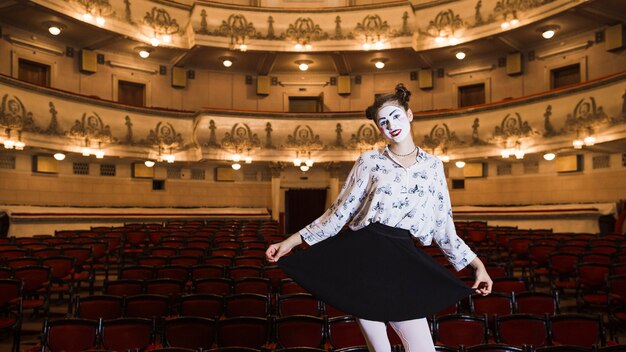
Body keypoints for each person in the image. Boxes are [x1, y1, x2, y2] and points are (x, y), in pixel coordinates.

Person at [266, 83, 492, 352]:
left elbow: (443, 226)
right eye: (383, 122)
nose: (390, 125)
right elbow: (339, 212)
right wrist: (289, 242)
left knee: (422, 349)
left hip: (403, 257)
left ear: (409, 114)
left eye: (395, 116)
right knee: (380, 351)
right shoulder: (369, 161)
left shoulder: (433, 166)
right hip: (363, 257)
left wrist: (478, 266)